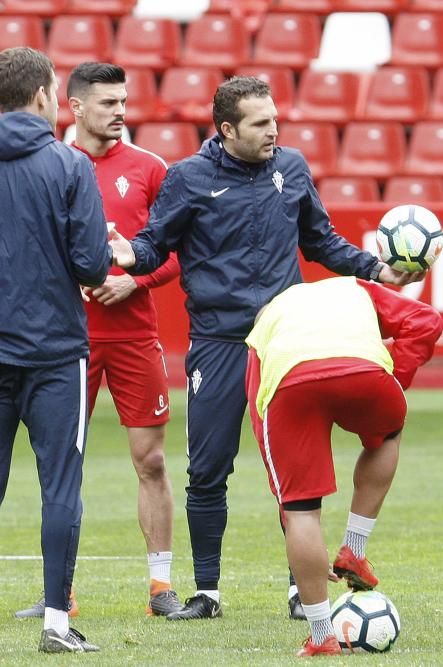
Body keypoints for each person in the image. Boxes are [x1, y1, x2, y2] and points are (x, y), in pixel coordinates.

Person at [107, 76, 419, 621]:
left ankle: (302, 591)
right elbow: (155, 242)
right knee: (207, 470)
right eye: (260, 122)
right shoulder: (188, 179)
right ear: (227, 129)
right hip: (219, 343)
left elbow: (320, 240)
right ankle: (208, 592)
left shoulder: (292, 168)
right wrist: (131, 255)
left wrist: (374, 268)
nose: (274, 129)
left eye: (275, 118)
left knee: (295, 475)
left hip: (286, 340)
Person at [24, 62, 183, 618]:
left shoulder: (150, 169)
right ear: (75, 107)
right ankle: (58, 594)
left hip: (134, 336)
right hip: (67, 342)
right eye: (108, 103)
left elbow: (178, 251)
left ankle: (161, 587)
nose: (119, 112)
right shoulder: (51, 165)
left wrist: (132, 279)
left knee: (152, 460)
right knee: (63, 465)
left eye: (123, 102)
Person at [244, 277, 443, 656]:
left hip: (291, 381)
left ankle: (321, 636)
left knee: (302, 511)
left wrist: (284, 494)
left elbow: (259, 408)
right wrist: (395, 378)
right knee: (388, 434)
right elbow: (426, 322)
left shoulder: (263, 327)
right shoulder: (358, 288)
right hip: (364, 371)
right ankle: (355, 546)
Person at [0, 46, 110, 653]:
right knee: (59, 487)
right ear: (44, 96)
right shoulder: (69, 167)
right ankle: (56, 626)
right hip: (54, 351)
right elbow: (93, 264)